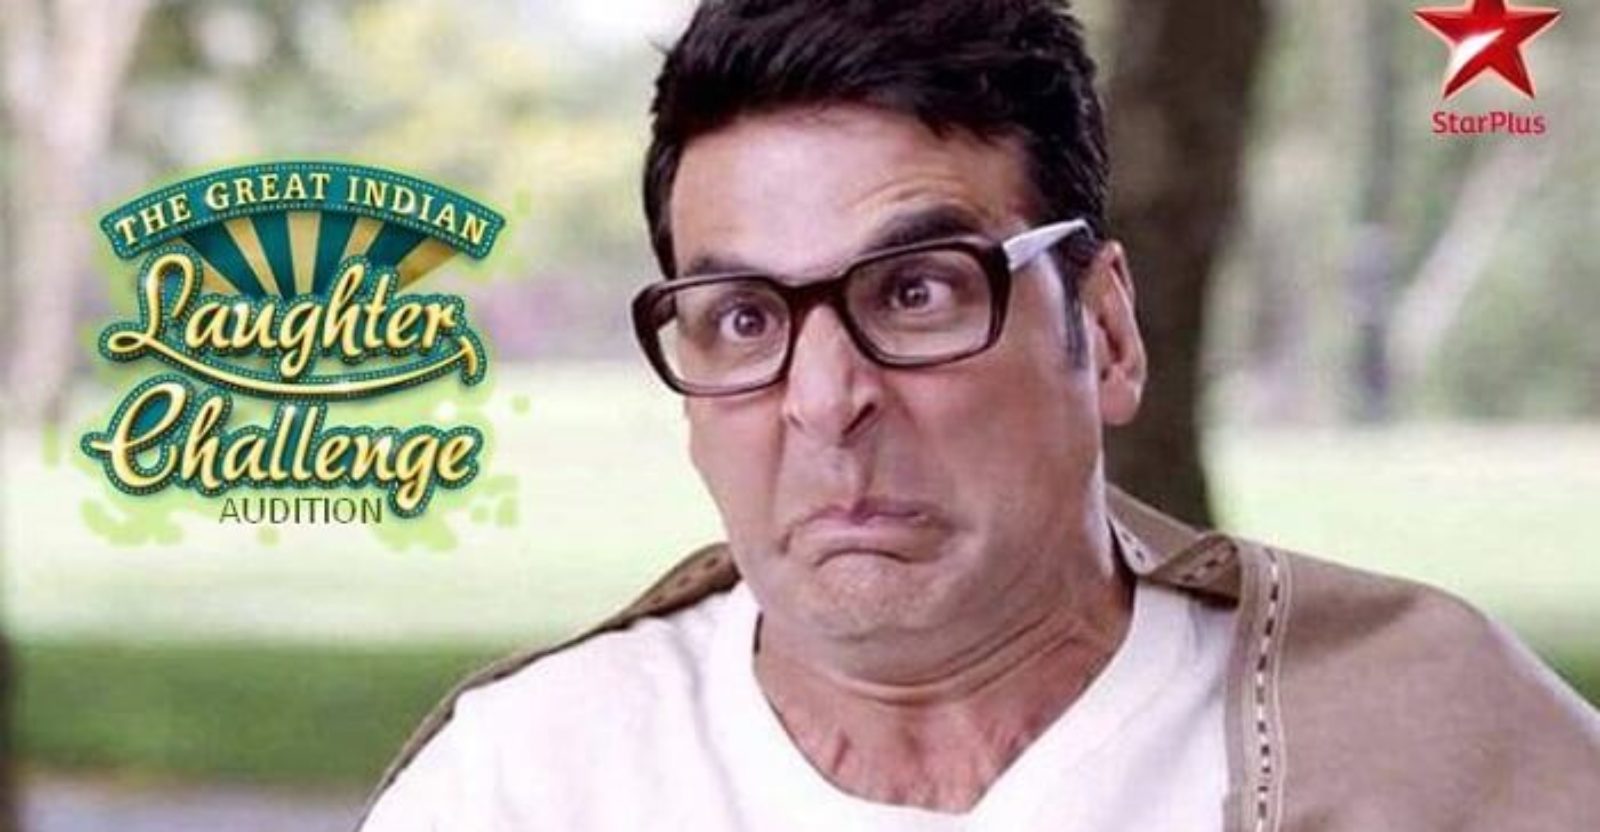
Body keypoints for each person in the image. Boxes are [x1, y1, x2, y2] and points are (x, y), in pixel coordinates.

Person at [359, 1, 1600, 829]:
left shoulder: (1435, 748)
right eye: (742, 317)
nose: (825, 400)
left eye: (916, 291)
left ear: (1104, 333)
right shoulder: (526, 782)